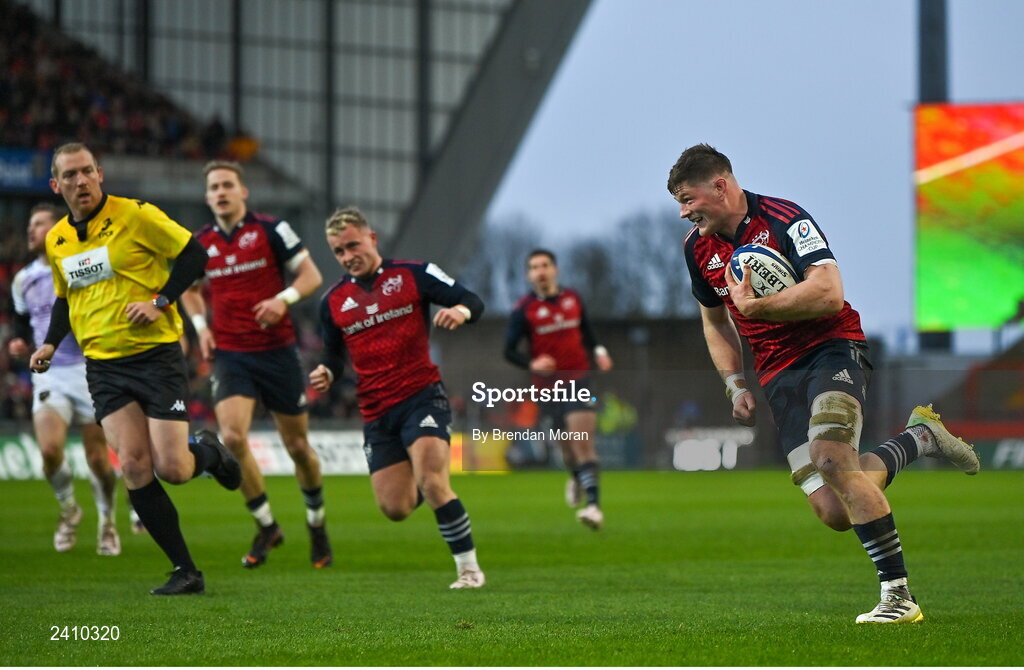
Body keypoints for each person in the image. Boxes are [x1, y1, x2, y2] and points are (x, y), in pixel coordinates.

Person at [667, 143, 980, 624]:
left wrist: (757, 308)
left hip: (833, 350)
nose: (685, 213)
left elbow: (830, 293)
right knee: (835, 508)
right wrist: (734, 383)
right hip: (777, 374)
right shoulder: (697, 250)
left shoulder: (785, 219)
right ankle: (921, 438)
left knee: (831, 457)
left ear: (721, 186)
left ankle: (899, 597)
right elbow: (714, 323)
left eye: (688, 199)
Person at [30, 142, 242, 596]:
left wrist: (160, 300)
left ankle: (211, 453)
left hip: (155, 357)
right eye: (70, 175)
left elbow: (195, 255)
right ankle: (186, 571)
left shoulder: (137, 214)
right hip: (104, 366)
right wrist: (49, 343)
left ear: (100, 174)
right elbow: (67, 300)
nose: (81, 181)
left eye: (87, 171)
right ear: (56, 185)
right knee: (133, 465)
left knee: (174, 468)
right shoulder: (57, 239)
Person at [309, 206, 486, 589]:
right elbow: (332, 355)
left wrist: (459, 311)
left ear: (372, 238)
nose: (347, 256)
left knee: (434, 481)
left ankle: (469, 570)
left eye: (353, 245)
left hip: (422, 396)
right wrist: (326, 371)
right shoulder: (332, 302)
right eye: (339, 251)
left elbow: (472, 299)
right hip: (376, 412)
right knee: (395, 508)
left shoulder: (414, 273)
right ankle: (423, 486)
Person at [180, 160, 331, 569]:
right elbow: (188, 291)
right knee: (231, 438)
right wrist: (200, 327)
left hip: (278, 351)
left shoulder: (271, 230)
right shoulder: (200, 242)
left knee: (298, 446)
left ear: (243, 191)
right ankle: (267, 525)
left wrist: (282, 300)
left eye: (228, 184)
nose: (221, 192)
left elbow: (312, 276)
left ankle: (316, 524)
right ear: (207, 196)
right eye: (214, 187)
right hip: (230, 355)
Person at [9, 202, 120, 556]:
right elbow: (22, 320)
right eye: (29, 223)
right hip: (50, 373)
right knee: (49, 450)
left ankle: (107, 521)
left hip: (89, 370)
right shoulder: (23, 279)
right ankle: (70, 509)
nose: (31, 229)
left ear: (56, 228)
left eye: (39, 223)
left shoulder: (81, 264)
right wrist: (20, 340)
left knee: (99, 460)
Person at [504, 249, 613, 529]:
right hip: (547, 390)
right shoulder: (523, 310)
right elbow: (508, 351)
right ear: (529, 275)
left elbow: (588, 333)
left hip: (579, 381)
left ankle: (593, 507)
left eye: (544, 265)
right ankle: (576, 477)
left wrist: (599, 351)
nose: (540, 271)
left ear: (555, 269)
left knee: (583, 445)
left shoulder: (573, 298)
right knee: (567, 452)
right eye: (534, 267)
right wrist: (533, 363)